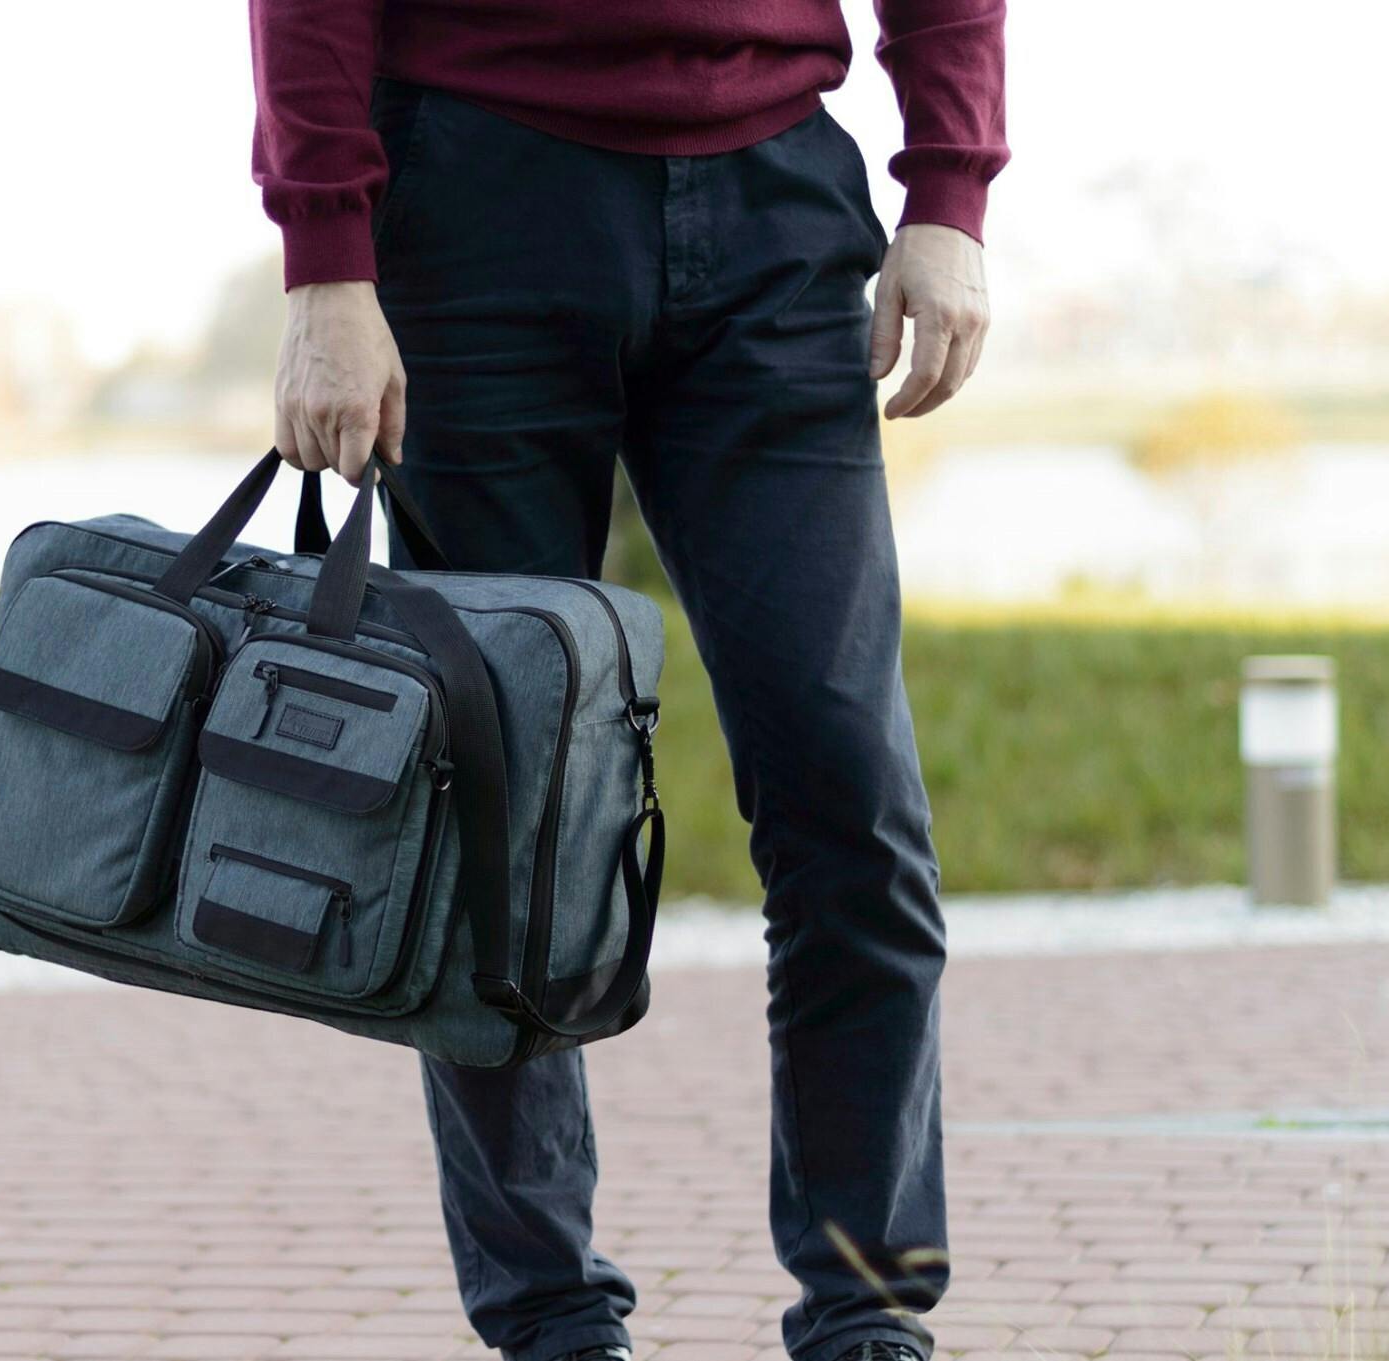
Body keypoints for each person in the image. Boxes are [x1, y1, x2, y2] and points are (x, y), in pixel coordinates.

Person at [247, 2, 1007, 1357]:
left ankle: (868, 1309)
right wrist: (325, 259)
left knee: (850, 793)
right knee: (498, 810)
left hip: (776, 210)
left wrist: (949, 190)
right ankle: (551, 1322)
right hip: (476, 203)